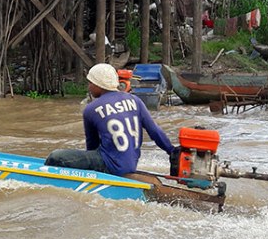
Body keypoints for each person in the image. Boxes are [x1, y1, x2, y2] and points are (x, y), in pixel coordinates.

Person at [45, 63, 175, 176]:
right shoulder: (135, 100)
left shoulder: (91, 109)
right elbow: (155, 131)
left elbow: (92, 146)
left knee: (56, 156)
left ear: (98, 85)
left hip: (111, 167)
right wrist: (172, 151)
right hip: (130, 166)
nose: (89, 87)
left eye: (91, 83)